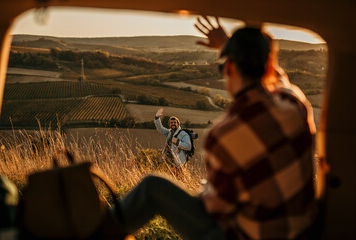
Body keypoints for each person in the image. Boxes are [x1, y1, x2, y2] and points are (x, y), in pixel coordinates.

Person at [115, 24, 317, 240]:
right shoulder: (294, 102)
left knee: (151, 187)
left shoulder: (224, 135)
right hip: (304, 230)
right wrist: (230, 44)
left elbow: (216, 211)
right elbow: (278, 77)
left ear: (229, 67)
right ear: (267, 66)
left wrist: (228, 45)